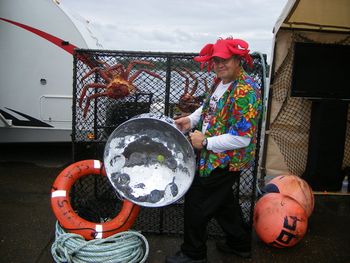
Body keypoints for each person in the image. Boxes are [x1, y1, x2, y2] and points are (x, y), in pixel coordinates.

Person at [165, 37, 262, 263]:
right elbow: (208, 106)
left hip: (224, 161)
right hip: (211, 156)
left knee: (196, 203)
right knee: (223, 202)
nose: (219, 64)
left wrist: (206, 142)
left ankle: (193, 254)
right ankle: (240, 243)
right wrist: (189, 120)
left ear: (238, 59)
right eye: (216, 60)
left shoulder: (245, 91)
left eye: (225, 60)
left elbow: (242, 139)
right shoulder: (219, 81)